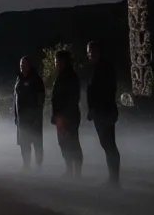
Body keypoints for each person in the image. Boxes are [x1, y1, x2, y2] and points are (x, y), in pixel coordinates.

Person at [86, 40, 121, 186]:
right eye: (88, 52)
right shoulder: (95, 68)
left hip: (105, 110)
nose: (90, 54)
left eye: (92, 51)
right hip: (100, 111)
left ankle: (114, 179)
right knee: (106, 144)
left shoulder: (104, 68)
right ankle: (113, 178)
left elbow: (106, 90)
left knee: (109, 144)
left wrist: (95, 107)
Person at [49, 49, 83, 177]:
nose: (56, 63)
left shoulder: (70, 76)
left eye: (58, 61)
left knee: (72, 142)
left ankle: (77, 173)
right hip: (61, 116)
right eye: (56, 61)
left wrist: (64, 115)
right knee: (64, 143)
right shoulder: (62, 76)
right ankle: (69, 170)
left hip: (69, 116)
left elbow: (72, 98)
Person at [13, 56, 46, 169]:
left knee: (36, 142)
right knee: (24, 143)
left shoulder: (36, 80)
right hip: (21, 118)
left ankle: (38, 166)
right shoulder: (19, 79)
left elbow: (41, 100)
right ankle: (26, 165)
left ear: (30, 65)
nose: (22, 66)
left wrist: (37, 117)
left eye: (24, 64)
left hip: (34, 117)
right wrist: (16, 116)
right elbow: (15, 98)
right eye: (21, 64)